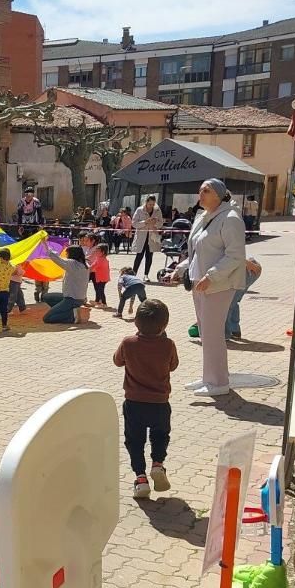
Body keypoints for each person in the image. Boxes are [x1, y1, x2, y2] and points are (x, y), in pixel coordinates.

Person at [180, 179, 248, 396]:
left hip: (219, 285)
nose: (201, 194)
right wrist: (181, 269)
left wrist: (212, 276)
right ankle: (208, 377)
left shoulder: (230, 218)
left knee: (213, 334)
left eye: (206, 191)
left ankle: (218, 382)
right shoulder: (203, 217)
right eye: (200, 190)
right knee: (205, 333)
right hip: (200, 284)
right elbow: (197, 251)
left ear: (218, 195)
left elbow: (235, 255)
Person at [113, 299, 178, 499]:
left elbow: (117, 361)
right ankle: (158, 464)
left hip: (134, 402)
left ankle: (140, 479)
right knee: (160, 435)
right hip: (160, 402)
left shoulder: (128, 343)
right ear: (165, 325)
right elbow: (173, 366)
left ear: (136, 323)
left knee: (135, 441)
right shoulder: (168, 345)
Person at [40, 244, 90, 325]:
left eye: (67, 253)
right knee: (47, 297)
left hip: (72, 299)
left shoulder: (72, 263)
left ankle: (72, 316)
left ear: (72, 254)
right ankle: (69, 310)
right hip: (78, 298)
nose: (66, 255)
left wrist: (44, 243)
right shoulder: (85, 264)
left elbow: (56, 258)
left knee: (47, 318)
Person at [226, 258, 262, 340]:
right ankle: (234, 331)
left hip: (247, 270)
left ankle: (226, 333)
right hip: (249, 269)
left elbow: (237, 255)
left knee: (229, 304)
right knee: (232, 302)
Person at [131, 196, 164, 278]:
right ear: (146, 202)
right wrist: (145, 222)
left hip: (151, 237)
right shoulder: (139, 210)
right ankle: (133, 275)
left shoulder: (157, 210)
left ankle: (146, 275)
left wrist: (155, 223)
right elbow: (134, 223)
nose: (151, 206)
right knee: (139, 256)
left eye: (153, 204)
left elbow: (161, 223)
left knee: (149, 256)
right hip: (141, 237)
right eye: (150, 204)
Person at [86, 235, 110, 308]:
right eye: (96, 250)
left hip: (102, 278)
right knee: (99, 290)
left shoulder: (100, 260)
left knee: (100, 291)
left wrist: (86, 264)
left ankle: (104, 303)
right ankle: (97, 301)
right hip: (101, 277)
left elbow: (91, 267)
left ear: (103, 252)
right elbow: (93, 265)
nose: (95, 252)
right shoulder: (99, 258)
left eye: (97, 251)